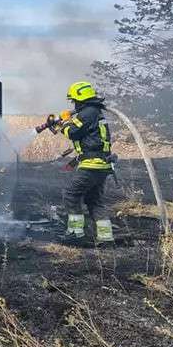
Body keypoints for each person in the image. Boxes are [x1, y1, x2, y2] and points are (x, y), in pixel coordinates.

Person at [56, 80, 115, 244]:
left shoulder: (87, 113)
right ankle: (105, 237)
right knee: (94, 200)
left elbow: (73, 133)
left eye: (74, 100)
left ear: (80, 99)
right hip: (102, 165)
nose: (74, 103)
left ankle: (76, 233)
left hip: (91, 165)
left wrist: (65, 122)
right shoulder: (95, 112)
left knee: (71, 193)